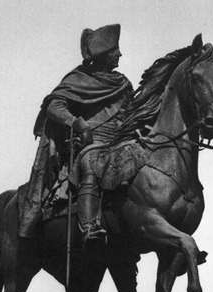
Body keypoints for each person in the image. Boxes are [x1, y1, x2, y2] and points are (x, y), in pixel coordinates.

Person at [20, 24, 133, 241]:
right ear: (104, 55)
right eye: (115, 50)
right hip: (90, 143)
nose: (120, 54)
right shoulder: (78, 79)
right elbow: (54, 106)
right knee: (92, 160)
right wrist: (77, 124)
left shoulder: (122, 83)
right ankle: (89, 226)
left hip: (121, 141)